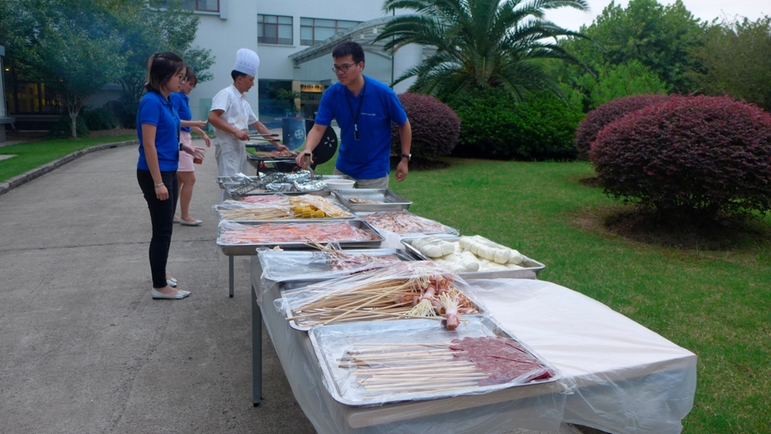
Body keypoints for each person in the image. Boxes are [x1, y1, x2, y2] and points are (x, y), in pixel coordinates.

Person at [295, 41, 412, 189]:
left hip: (374, 172)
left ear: (360, 66)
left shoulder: (383, 93)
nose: (340, 72)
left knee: (371, 212)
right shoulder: (332, 94)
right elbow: (318, 128)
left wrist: (405, 158)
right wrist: (308, 149)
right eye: (337, 68)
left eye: (345, 67)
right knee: (338, 211)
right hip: (343, 169)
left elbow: (404, 124)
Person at [136, 52, 206, 300]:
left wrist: (185, 147)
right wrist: (157, 182)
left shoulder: (167, 101)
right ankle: (159, 286)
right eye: (179, 76)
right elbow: (149, 145)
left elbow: (166, 138)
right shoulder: (151, 102)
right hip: (155, 173)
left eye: (183, 76)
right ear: (163, 76)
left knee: (165, 228)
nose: (182, 80)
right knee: (162, 230)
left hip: (168, 169)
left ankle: (161, 274)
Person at [208, 48, 288, 200]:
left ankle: (236, 218)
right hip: (227, 147)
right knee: (230, 187)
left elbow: (259, 125)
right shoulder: (226, 94)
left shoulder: (243, 101)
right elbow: (212, 117)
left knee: (241, 186)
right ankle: (227, 220)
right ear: (240, 78)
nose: (252, 84)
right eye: (251, 79)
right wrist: (235, 131)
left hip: (239, 148)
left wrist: (276, 145)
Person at [171, 67, 211, 226]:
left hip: (184, 137)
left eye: (193, 85)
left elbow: (186, 123)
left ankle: (174, 214)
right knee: (190, 179)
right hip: (180, 138)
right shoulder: (176, 97)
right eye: (189, 83)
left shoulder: (183, 98)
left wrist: (201, 132)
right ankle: (185, 215)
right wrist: (196, 124)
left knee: (180, 180)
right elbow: (174, 121)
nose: (191, 88)